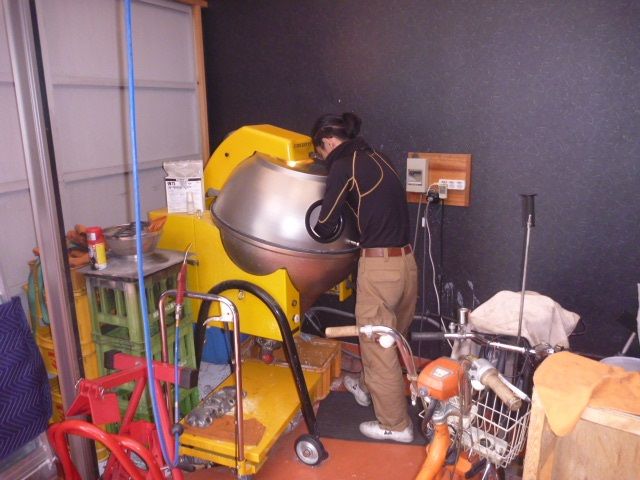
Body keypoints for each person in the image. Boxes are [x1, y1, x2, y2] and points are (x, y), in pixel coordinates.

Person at [311, 112, 418, 443]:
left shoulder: (344, 165)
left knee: (376, 347)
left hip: (380, 269)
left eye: (320, 153)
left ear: (329, 142)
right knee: (391, 341)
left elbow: (324, 225)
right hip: (406, 264)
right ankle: (369, 388)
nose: (323, 159)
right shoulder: (378, 158)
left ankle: (395, 426)